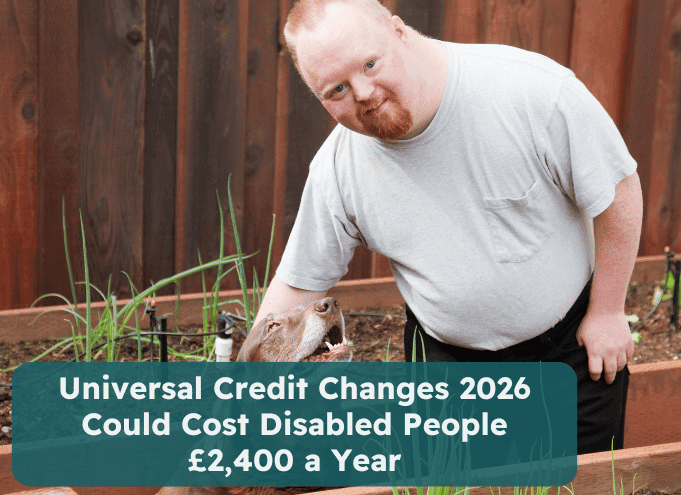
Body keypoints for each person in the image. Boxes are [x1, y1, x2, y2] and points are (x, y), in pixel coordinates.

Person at [238, 0, 643, 455]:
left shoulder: (529, 91)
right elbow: (299, 284)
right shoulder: (338, 169)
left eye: (370, 64)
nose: (363, 93)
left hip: (572, 349)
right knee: (457, 494)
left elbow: (618, 190)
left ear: (398, 31)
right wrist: (239, 391)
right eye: (337, 90)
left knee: (582, 490)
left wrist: (608, 312)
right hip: (447, 368)